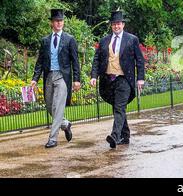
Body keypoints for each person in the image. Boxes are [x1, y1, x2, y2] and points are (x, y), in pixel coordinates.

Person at [90, 10, 145, 148]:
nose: (116, 26)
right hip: (108, 79)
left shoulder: (131, 39)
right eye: (114, 24)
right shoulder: (104, 41)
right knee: (117, 108)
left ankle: (115, 136)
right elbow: (97, 59)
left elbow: (140, 60)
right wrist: (93, 76)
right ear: (111, 26)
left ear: (123, 25)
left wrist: (140, 78)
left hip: (124, 79)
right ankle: (125, 136)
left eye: (119, 24)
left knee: (119, 107)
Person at [31, 9, 81, 148]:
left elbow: (75, 61)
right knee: (49, 106)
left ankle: (53, 138)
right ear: (52, 23)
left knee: (58, 106)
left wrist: (77, 79)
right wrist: (35, 78)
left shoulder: (69, 39)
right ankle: (65, 124)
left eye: (61, 21)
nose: (59, 23)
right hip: (49, 76)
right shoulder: (45, 41)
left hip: (62, 77)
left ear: (63, 23)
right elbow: (40, 61)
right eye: (56, 21)